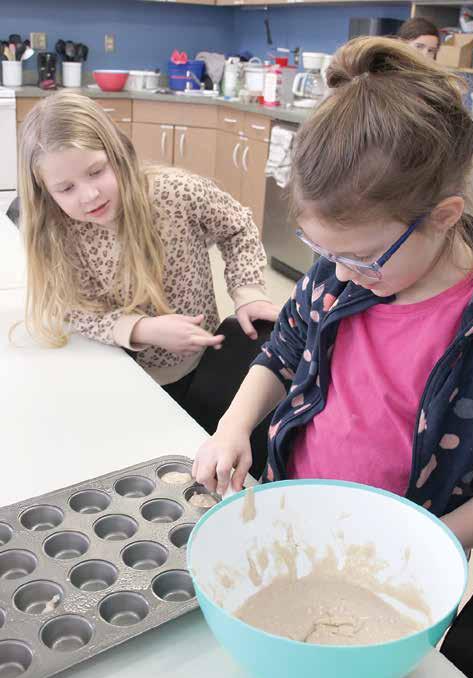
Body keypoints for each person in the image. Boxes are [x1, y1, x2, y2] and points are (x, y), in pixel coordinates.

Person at [194, 36, 473, 555]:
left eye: (364, 257)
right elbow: (283, 352)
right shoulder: (340, 273)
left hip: (409, 551)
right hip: (296, 505)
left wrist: (426, 543)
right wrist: (233, 426)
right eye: (325, 252)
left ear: (443, 217)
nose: (342, 275)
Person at [17, 91, 279, 461]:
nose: (89, 195)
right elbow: (72, 309)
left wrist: (248, 291)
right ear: (45, 193)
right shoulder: (56, 231)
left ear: (118, 153)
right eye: (66, 188)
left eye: (96, 171)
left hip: (203, 366)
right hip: (122, 376)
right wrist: (142, 330)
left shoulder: (177, 193)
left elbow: (238, 227)